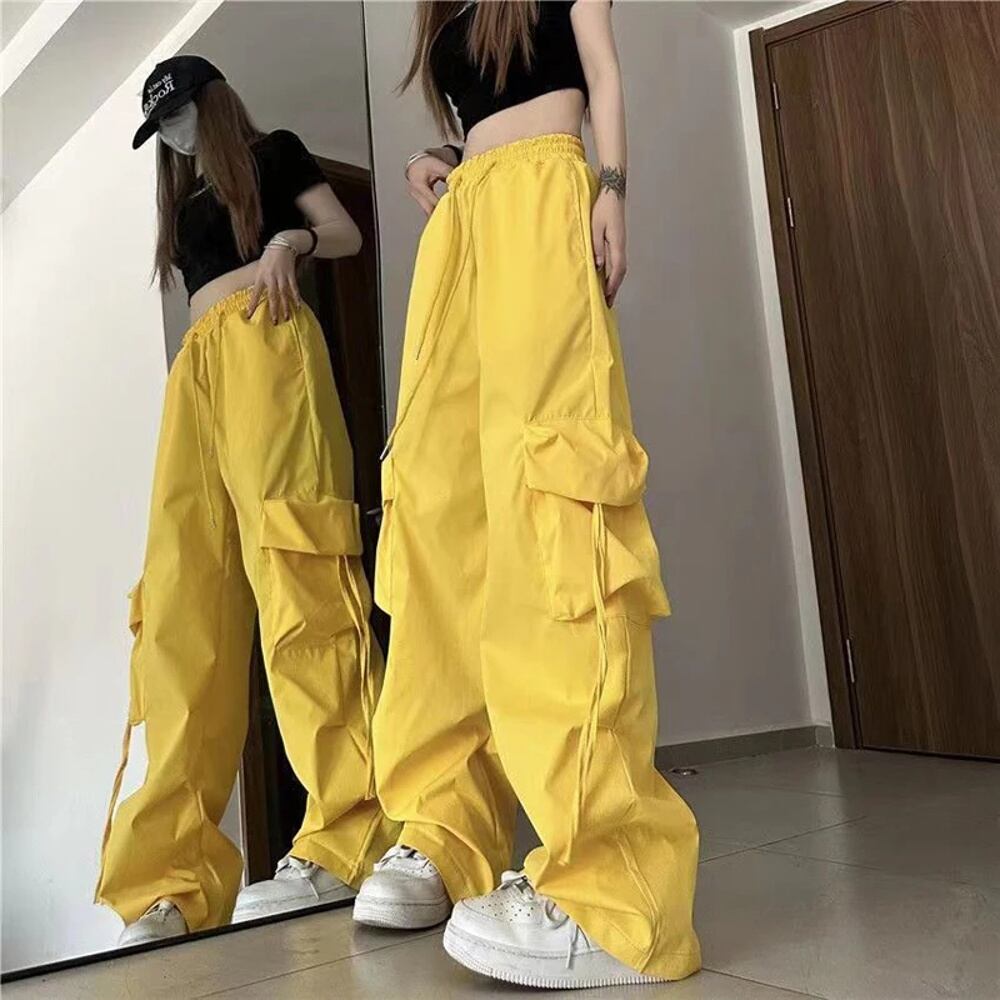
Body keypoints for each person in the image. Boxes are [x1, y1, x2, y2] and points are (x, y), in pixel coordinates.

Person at [354, 0, 701, 990]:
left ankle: (613, 886)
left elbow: (602, 72)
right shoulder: (445, 11)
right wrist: (445, 158)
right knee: (439, 510)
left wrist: (613, 185)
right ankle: (447, 828)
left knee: (557, 496)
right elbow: (486, 109)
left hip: (550, 195)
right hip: (464, 223)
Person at [95, 55, 396, 946]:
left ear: (212, 103)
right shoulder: (185, 199)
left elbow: (343, 234)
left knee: (300, 577)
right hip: (196, 375)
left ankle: (352, 835)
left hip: (269, 347)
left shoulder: (275, 155)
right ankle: (173, 879)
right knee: (182, 606)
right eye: (162, 129)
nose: (175, 136)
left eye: (180, 115)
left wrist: (286, 242)